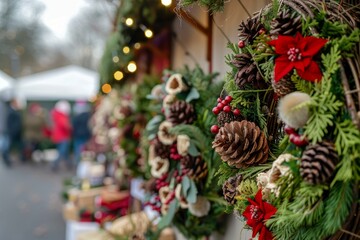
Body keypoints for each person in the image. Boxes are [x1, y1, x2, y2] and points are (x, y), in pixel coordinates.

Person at [2, 99, 25, 167]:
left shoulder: (14, 110)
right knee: (7, 146)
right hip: (12, 132)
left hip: (16, 132)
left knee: (20, 145)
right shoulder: (10, 111)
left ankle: (22, 158)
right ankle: (6, 158)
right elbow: (9, 123)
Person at [50, 100, 72, 171]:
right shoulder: (61, 116)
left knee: (65, 152)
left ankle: (69, 164)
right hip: (63, 136)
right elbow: (65, 126)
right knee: (62, 152)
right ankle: (55, 164)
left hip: (58, 136)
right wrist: (70, 128)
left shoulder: (56, 115)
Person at [72, 100, 91, 166]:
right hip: (86, 135)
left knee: (78, 150)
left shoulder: (77, 117)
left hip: (78, 135)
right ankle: (83, 163)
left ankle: (78, 163)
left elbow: (74, 126)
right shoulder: (88, 116)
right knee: (85, 150)